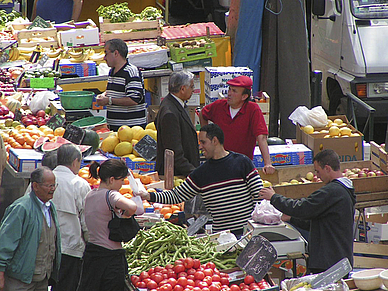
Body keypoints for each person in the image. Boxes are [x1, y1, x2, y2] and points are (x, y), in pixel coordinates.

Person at [139, 124, 263, 236]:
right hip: (222, 236)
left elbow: (259, 193)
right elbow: (177, 195)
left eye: (203, 142)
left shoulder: (242, 162)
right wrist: (148, 196)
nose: (200, 147)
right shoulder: (201, 173)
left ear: (215, 141)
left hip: (246, 233)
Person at [259, 149, 356, 274]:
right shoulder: (343, 191)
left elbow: (302, 207)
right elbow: (320, 223)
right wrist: (291, 219)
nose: (317, 175)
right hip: (337, 260)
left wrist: (273, 197)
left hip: (330, 263)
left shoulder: (332, 192)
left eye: (318, 171)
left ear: (327, 168)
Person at [77, 159, 138, 291]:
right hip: (111, 259)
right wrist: (126, 215)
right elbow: (133, 207)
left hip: (92, 254)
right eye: (121, 180)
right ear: (111, 180)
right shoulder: (111, 195)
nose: (122, 184)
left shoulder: (90, 195)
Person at [0, 166, 61, 290]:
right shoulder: (21, 208)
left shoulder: (50, 207)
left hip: (42, 279)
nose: (53, 189)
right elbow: (5, 242)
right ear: (35, 186)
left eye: (54, 185)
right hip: (20, 281)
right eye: (49, 186)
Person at [199, 75, 275, 174]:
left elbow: (261, 137)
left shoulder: (253, 110)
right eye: (229, 89)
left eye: (234, 91)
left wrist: (267, 163)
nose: (229, 93)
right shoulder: (219, 106)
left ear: (244, 96)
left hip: (242, 166)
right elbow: (203, 114)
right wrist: (206, 137)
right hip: (217, 163)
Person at [51, 144, 91, 291]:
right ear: (75, 161)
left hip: (43, 247)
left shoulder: (42, 180)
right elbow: (86, 221)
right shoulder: (80, 184)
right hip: (70, 248)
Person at [155, 70, 200, 177]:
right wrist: (194, 173)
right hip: (176, 174)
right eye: (192, 87)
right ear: (183, 89)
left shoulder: (176, 103)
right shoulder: (170, 113)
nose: (193, 90)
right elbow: (174, 153)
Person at [96, 39, 147, 131]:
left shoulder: (131, 72)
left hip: (131, 131)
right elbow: (114, 91)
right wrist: (103, 95)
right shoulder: (112, 71)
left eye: (106, 53)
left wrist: (109, 100)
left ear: (116, 53)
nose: (104, 58)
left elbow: (133, 99)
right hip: (116, 130)